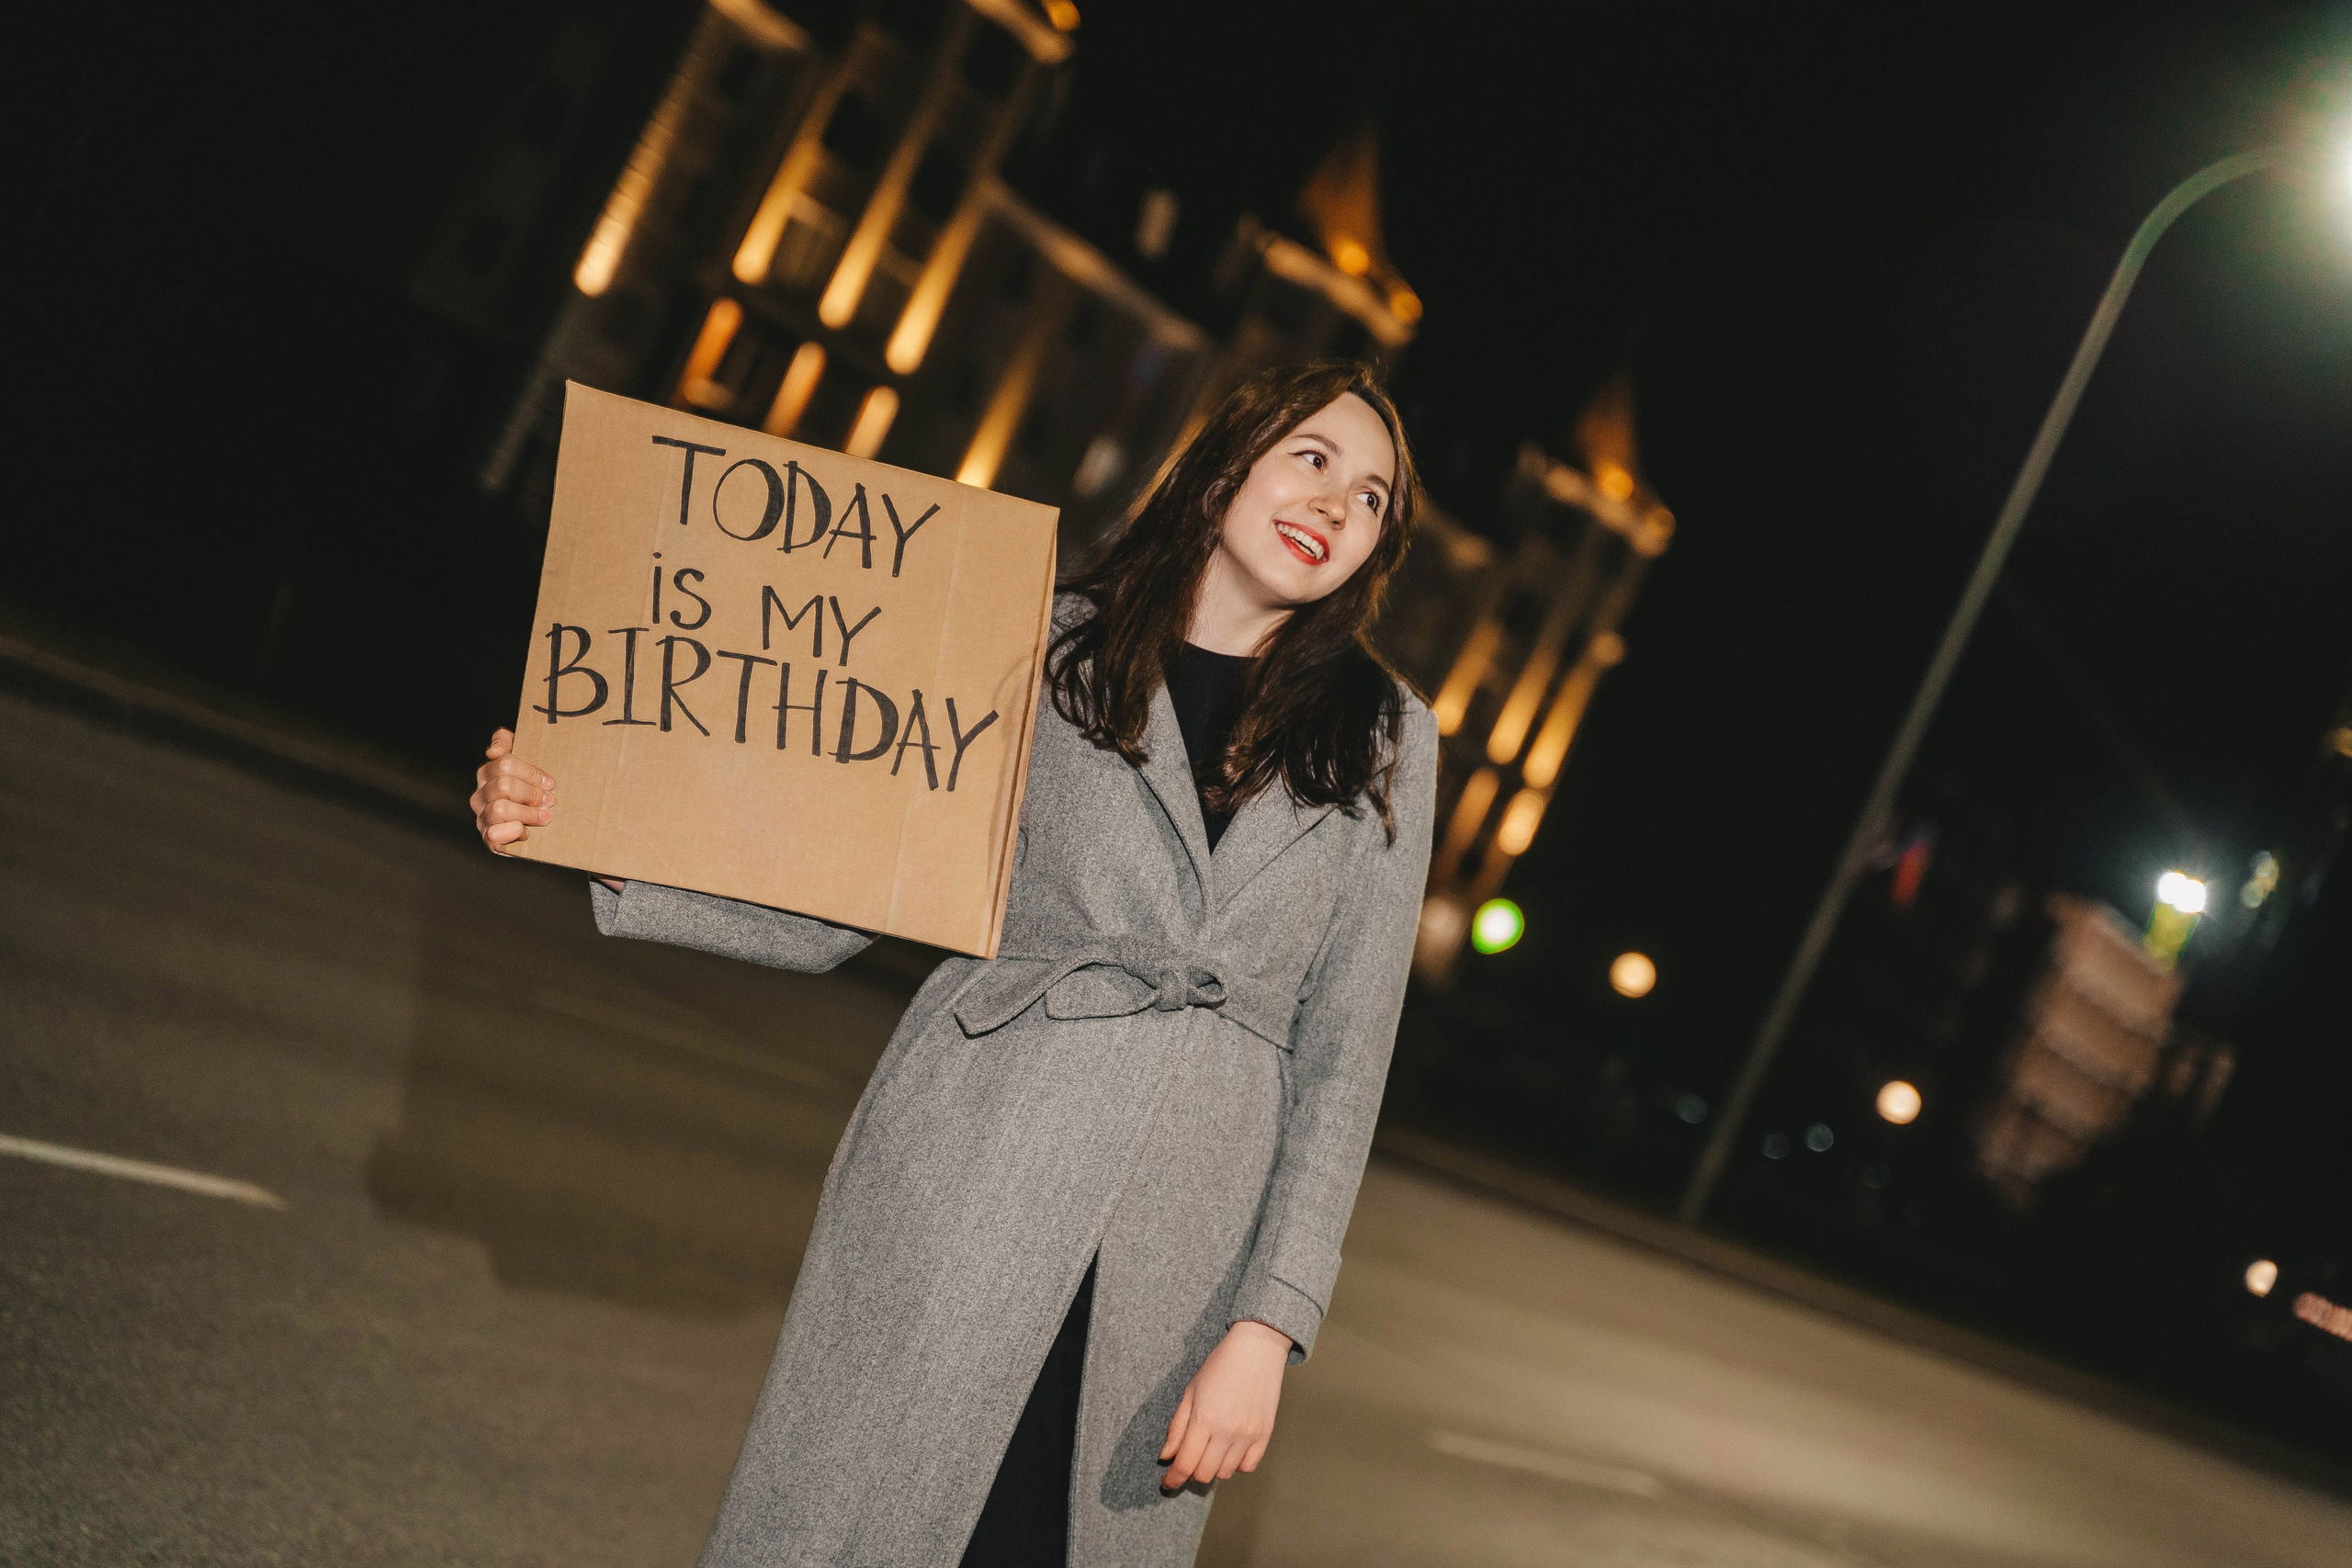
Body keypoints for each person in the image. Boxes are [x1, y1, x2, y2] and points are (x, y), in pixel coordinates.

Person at [469, 360, 1437, 1567]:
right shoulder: (1035, 640)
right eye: (1314, 460)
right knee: (870, 1527)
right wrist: (601, 842)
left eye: (1373, 499)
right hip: (974, 1165)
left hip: (1182, 1250)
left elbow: (1346, 1061)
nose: (1337, 504)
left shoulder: (1387, 734)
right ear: (1226, 468)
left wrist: (1268, 1324)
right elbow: (847, 897)